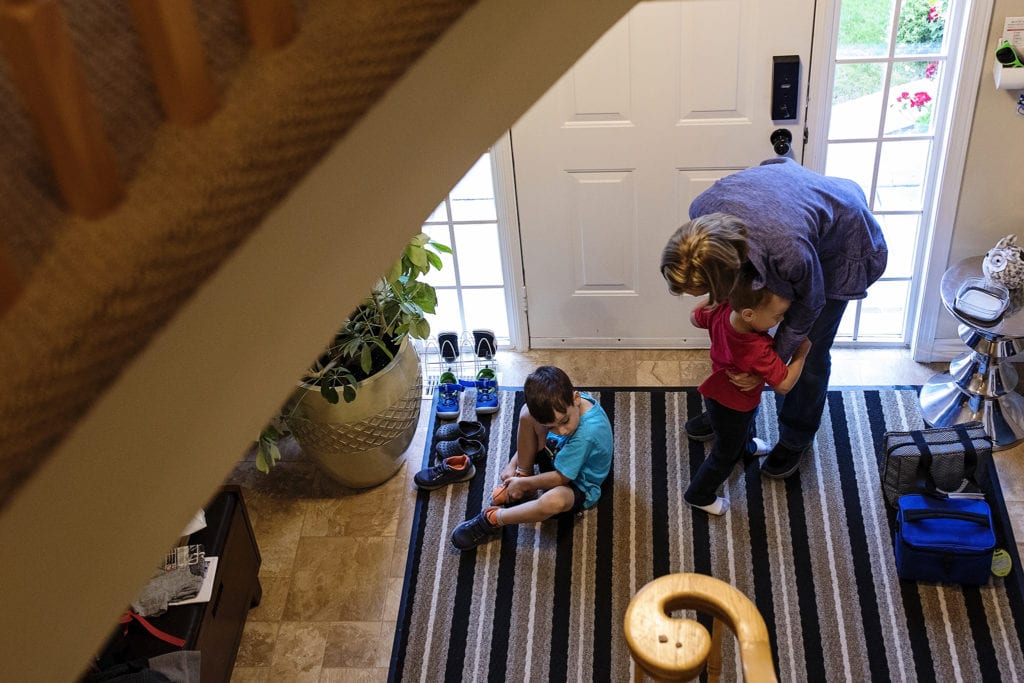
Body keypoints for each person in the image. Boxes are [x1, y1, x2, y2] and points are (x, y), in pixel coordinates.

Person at [661, 157, 887, 479]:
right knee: (738, 332)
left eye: (703, 289)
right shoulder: (703, 207)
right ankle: (730, 414)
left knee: (809, 354)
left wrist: (769, 366)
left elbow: (811, 304)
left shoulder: (788, 252)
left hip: (841, 236)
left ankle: (796, 437)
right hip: (787, 214)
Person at [685, 265, 811, 515]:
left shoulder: (722, 310)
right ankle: (698, 494)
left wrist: (718, 296)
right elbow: (784, 385)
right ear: (750, 314)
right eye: (776, 316)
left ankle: (747, 447)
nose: (781, 320)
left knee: (743, 428)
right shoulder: (755, 348)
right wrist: (802, 352)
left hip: (723, 395)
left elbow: (693, 316)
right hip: (734, 404)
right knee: (725, 454)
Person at [450, 366, 613, 551]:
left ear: (576, 398)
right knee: (528, 412)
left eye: (564, 421)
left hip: (578, 483)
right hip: (560, 457)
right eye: (550, 426)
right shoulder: (565, 407)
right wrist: (515, 465)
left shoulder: (586, 434)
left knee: (554, 501)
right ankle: (522, 474)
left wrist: (525, 484)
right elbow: (549, 430)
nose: (561, 430)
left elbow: (562, 478)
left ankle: (494, 518)